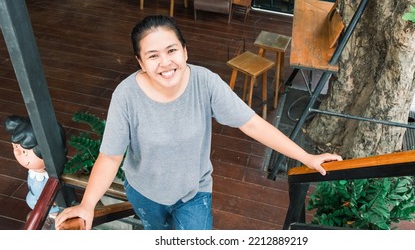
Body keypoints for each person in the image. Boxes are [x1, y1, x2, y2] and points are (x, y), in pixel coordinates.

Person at [55, 15, 342, 230]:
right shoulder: (126, 96)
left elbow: (251, 123)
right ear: (140, 62)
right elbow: (110, 156)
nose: (165, 63)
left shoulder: (204, 82)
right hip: (145, 193)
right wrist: (88, 205)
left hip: (194, 191)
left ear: (185, 51)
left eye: (171, 50)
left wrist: (306, 157)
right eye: (152, 56)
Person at [4, 115, 67, 216]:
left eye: (25, 152)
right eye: (15, 147)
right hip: (36, 202)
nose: (17, 152)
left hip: (51, 207)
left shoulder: (51, 178)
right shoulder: (34, 172)